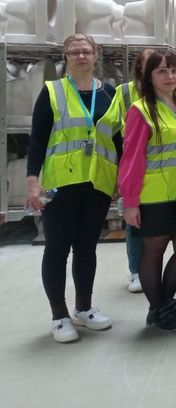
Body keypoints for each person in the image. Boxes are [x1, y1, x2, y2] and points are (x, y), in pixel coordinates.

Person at [26, 34, 116, 343]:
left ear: (95, 55)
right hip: (61, 184)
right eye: (74, 52)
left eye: (86, 51)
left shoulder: (108, 93)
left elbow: (116, 139)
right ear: (66, 58)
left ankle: (84, 308)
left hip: (97, 184)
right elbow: (37, 140)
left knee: (87, 247)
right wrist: (33, 181)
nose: (81, 57)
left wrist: (120, 178)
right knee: (57, 249)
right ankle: (59, 315)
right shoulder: (52, 91)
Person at [119, 50, 176, 332]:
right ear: (149, 76)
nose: (170, 77)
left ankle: (163, 305)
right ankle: (159, 309)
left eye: (174, 71)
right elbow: (131, 158)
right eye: (162, 71)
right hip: (154, 194)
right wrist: (130, 201)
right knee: (153, 251)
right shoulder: (141, 110)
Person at [91, 48, 154, 295]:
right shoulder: (125, 92)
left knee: (174, 222)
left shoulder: (174, 92)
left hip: (169, 171)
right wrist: (115, 171)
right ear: (139, 68)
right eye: (149, 65)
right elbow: (107, 130)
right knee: (134, 221)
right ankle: (136, 271)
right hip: (135, 168)